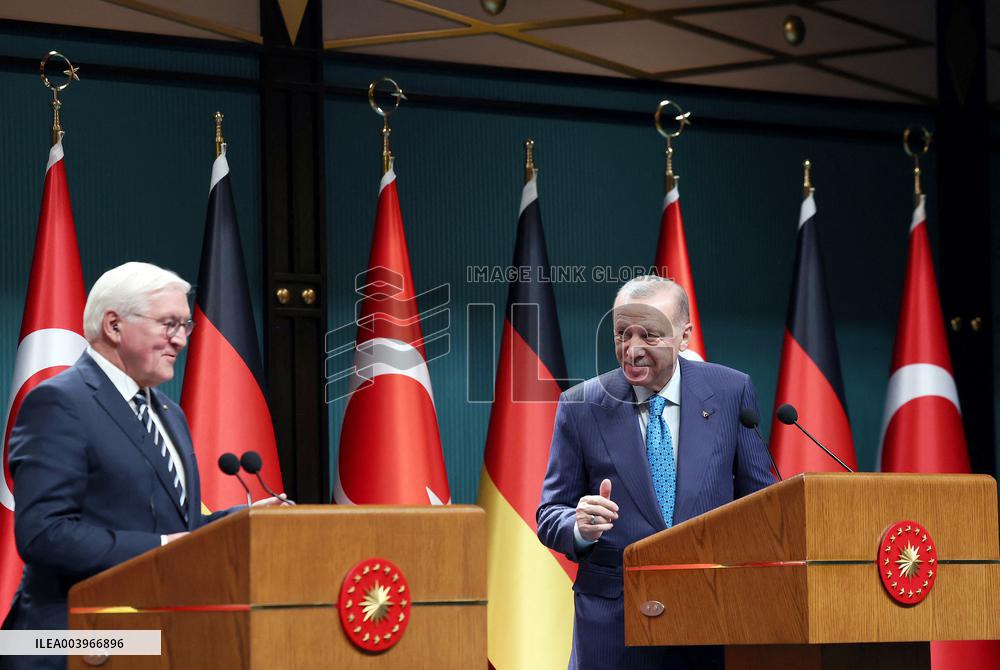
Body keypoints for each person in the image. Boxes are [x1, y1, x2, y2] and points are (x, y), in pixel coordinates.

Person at [1, 262, 287, 670]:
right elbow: (45, 535)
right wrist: (163, 549)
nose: (181, 340)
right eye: (169, 324)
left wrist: (243, 522)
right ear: (114, 326)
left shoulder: (169, 413)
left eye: (185, 326)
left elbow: (175, 530)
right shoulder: (60, 403)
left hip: (151, 641)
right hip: (69, 641)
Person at [537, 275, 775, 670]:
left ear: (684, 337)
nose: (632, 350)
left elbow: (764, 504)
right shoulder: (581, 405)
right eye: (621, 334)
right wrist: (580, 526)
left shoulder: (731, 392)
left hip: (710, 620)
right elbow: (550, 514)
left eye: (649, 335)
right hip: (614, 630)